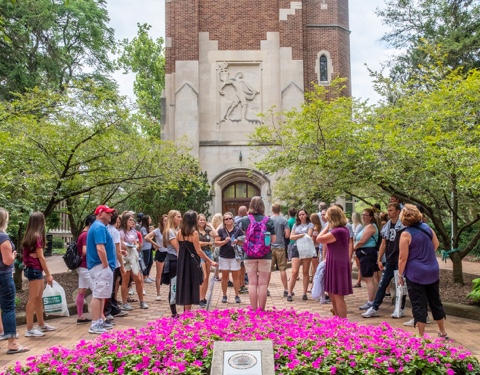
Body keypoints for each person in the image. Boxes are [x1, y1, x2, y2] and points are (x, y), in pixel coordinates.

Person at [397, 204, 448, 338]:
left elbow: (403, 258)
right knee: (435, 301)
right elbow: (436, 244)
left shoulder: (406, 234)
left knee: (418, 303)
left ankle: (421, 335)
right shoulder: (428, 228)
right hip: (432, 270)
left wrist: (400, 275)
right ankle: (442, 331)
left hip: (415, 273)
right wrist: (427, 255)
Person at [362, 203, 407, 318]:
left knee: (400, 285)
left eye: (391, 210)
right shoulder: (387, 225)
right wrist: (379, 259)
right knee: (383, 284)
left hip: (400, 260)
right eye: (388, 210)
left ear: (398, 211)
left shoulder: (403, 226)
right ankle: (374, 307)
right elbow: (383, 243)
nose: (389, 212)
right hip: (390, 260)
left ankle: (399, 308)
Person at [0, 208, 29, 354]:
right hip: (3, 276)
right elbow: (6, 261)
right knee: (8, 308)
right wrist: (13, 255)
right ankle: (12, 343)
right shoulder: (3, 238)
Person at [176, 211, 218, 311]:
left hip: (182, 262)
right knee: (191, 285)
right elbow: (198, 251)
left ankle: (186, 311)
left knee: (184, 285)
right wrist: (210, 261)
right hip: (191, 262)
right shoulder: (194, 233)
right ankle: (187, 312)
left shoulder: (179, 232)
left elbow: (179, 248)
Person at [22, 212, 56, 337]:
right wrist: (48, 274)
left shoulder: (30, 235)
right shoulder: (37, 237)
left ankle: (41, 324)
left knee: (38, 298)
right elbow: (41, 257)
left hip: (33, 269)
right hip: (35, 270)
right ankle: (29, 329)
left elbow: (36, 255)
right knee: (33, 299)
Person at [316, 206, 352, 318]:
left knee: (338, 295)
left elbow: (319, 238)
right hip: (334, 262)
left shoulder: (339, 231)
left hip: (338, 264)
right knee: (332, 294)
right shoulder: (340, 230)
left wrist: (326, 227)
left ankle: (343, 321)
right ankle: (337, 319)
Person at [241, 197, 276, 310]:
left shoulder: (245, 220)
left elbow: (243, 238)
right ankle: (262, 309)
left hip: (249, 254)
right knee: (262, 284)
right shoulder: (268, 220)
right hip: (265, 254)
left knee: (252, 283)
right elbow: (273, 240)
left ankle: (254, 309)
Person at [86, 205, 117, 334]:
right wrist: (105, 265)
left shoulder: (98, 226)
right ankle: (95, 324)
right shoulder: (98, 227)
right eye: (108, 213)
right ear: (100, 214)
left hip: (101, 266)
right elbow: (100, 248)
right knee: (98, 295)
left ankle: (99, 321)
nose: (111, 215)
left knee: (101, 295)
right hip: (100, 266)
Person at [119, 212, 148, 311]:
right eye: (130, 220)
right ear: (125, 221)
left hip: (134, 257)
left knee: (138, 279)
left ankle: (142, 301)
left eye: (133, 220)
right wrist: (129, 245)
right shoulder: (121, 232)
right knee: (125, 281)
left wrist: (135, 245)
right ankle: (124, 303)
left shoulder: (134, 232)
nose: (132, 221)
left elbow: (137, 243)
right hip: (126, 257)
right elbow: (121, 245)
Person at [353, 208, 380, 310]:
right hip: (365, 254)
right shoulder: (367, 227)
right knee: (371, 278)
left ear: (371, 217)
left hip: (367, 254)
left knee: (368, 278)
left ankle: (371, 301)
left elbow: (362, 241)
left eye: (366, 215)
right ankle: (374, 299)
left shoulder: (371, 227)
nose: (363, 217)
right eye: (362, 215)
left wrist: (352, 249)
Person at [215, 212, 244, 304]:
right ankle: (224, 295)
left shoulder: (238, 230)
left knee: (236, 276)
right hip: (224, 256)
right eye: (226, 219)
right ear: (223, 221)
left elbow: (243, 242)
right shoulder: (221, 231)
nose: (228, 220)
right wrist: (224, 241)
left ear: (233, 219)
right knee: (224, 276)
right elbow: (216, 243)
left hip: (235, 256)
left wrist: (237, 241)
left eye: (230, 218)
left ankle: (237, 295)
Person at [287, 209, 314, 302]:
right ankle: (289, 293)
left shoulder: (310, 225)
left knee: (305, 271)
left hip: (306, 249)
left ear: (306, 215)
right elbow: (291, 236)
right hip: (296, 247)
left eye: (303, 214)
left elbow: (309, 236)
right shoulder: (295, 225)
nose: (301, 216)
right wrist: (301, 235)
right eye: (299, 215)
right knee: (294, 272)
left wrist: (298, 235)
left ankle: (304, 293)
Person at [75, 214, 96, 324]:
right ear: (90, 224)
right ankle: (99, 316)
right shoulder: (86, 235)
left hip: (81, 266)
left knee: (82, 290)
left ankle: (80, 316)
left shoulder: (81, 234)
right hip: (85, 266)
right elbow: (85, 250)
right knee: (96, 291)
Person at [162, 210, 182, 318]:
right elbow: (178, 247)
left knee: (178, 285)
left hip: (177, 260)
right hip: (173, 260)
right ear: (173, 218)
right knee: (174, 286)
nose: (180, 219)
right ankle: (173, 312)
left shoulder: (177, 229)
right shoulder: (170, 231)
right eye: (178, 217)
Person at [144, 214, 167, 301]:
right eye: (165, 220)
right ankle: (158, 293)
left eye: (168, 220)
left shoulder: (171, 230)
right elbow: (146, 237)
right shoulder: (157, 231)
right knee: (159, 274)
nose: (166, 222)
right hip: (160, 253)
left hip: (170, 253)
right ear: (162, 221)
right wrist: (155, 244)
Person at [197, 214, 218, 307]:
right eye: (200, 220)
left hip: (208, 253)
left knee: (207, 277)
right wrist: (209, 242)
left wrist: (211, 226)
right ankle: (200, 298)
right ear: (197, 221)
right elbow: (198, 244)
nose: (202, 221)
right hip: (200, 254)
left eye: (204, 220)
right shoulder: (195, 231)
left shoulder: (207, 230)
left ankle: (203, 297)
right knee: (203, 277)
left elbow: (216, 235)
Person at [269, 203, 290, 297]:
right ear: (280, 210)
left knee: (268, 270)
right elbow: (287, 234)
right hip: (281, 246)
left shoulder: (269, 220)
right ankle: (286, 289)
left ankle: (265, 289)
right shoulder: (284, 220)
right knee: (282, 269)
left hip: (270, 247)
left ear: (272, 210)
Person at [140, 215, 154, 284]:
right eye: (149, 218)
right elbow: (146, 238)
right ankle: (145, 277)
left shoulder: (147, 228)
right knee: (145, 262)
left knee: (150, 262)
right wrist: (152, 235)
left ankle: (148, 276)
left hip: (149, 247)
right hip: (145, 247)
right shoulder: (143, 228)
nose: (150, 219)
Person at [351, 211, 363, 288]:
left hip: (356, 246)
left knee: (359, 265)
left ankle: (359, 281)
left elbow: (354, 236)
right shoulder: (353, 225)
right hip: (353, 245)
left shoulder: (359, 226)